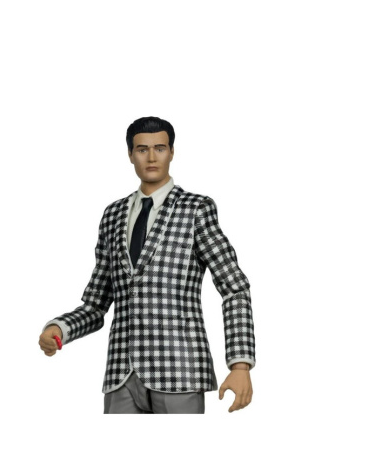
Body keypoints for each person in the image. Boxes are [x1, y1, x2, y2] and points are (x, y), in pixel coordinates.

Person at [38, 116, 255, 414]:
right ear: (130, 154)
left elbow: (235, 288)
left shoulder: (196, 209)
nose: (151, 157)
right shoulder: (113, 215)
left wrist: (240, 364)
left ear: (172, 152)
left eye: (160, 148)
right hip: (121, 376)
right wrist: (59, 329)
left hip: (180, 371)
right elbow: (97, 304)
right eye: (142, 149)